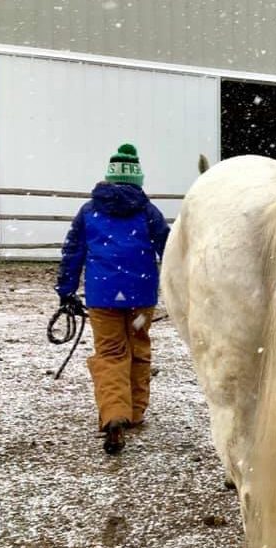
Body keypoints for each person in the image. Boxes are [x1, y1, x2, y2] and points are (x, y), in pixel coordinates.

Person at [55, 143, 170, 455]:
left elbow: (72, 252)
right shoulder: (147, 211)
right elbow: (169, 249)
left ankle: (114, 415)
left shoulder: (90, 210)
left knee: (110, 353)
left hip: (102, 295)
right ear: (137, 177)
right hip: (141, 296)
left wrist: (66, 291)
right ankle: (135, 411)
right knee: (139, 347)